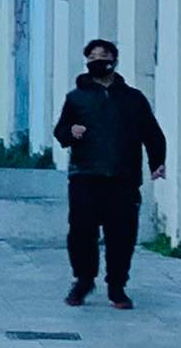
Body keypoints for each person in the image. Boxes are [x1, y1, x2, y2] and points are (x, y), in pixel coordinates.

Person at [54, 39, 167, 309]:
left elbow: (152, 132)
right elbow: (61, 131)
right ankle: (83, 280)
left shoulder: (133, 98)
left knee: (122, 234)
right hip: (85, 175)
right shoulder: (76, 97)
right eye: (91, 56)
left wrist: (157, 162)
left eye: (103, 55)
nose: (97, 60)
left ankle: (117, 286)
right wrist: (71, 133)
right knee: (82, 232)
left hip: (123, 177)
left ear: (114, 60)